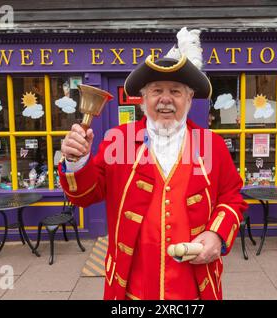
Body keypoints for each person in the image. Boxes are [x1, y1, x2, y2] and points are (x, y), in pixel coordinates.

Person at [59, 53, 248, 300]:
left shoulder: (211, 144)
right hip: (132, 288)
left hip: (194, 288)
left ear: (190, 98)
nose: (166, 99)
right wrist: (77, 160)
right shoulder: (119, 140)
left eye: (176, 91)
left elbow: (232, 197)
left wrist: (217, 234)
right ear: (143, 99)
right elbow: (85, 196)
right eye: (157, 90)